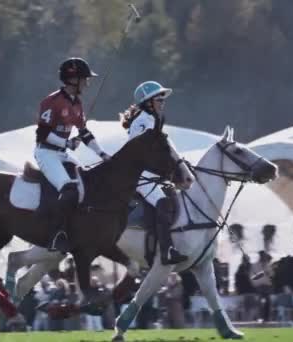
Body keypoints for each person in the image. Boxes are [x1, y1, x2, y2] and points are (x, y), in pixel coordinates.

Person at [34, 57, 111, 253]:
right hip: (47, 154)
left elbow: (84, 133)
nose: (87, 83)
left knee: (87, 181)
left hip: (63, 154)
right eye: (85, 79)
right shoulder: (52, 102)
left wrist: (102, 154)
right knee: (69, 189)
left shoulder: (77, 103)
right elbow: (42, 134)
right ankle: (56, 234)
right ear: (73, 79)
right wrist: (66, 142)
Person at [118, 81, 187, 265]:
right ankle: (166, 252)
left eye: (163, 99)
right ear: (147, 102)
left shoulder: (152, 119)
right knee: (162, 203)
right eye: (159, 99)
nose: (162, 102)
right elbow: (138, 152)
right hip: (141, 175)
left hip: (151, 174)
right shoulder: (142, 121)